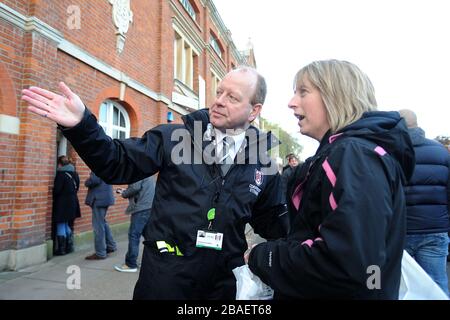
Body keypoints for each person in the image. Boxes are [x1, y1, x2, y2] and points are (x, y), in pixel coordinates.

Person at [21, 66, 288, 299]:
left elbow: (277, 225)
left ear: (254, 111)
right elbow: (116, 162)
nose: (218, 101)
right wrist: (82, 125)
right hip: (165, 280)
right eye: (219, 92)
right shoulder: (173, 137)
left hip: (222, 287)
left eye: (232, 97)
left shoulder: (262, 162)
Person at [247, 59, 415, 299]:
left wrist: (264, 256)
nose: (291, 103)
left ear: (335, 95)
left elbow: (347, 263)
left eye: (303, 92)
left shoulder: (353, 156)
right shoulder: (351, 153)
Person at [398, 109, 450, 296]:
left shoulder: (392, 153)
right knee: (437, 282)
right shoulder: (441, 152)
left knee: (401, 286)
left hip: (401, 231)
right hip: (435, 229)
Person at [114, 175, 157, 273]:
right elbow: (140, 188)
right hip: (149, 207)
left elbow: (135, 187)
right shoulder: (149, 171)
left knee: (134, 235)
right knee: (149, 235)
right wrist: (126, 190)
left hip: (141, 208)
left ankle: (131, 264)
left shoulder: (138, 170)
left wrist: (124, 193)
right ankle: (154, 259)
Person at [52, 155, 81, 255]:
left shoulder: (61, 175)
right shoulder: (75, 173)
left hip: (62, 203)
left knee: (61, 223)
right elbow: (77, 188)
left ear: (59, 164)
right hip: (73, 202)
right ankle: (69, 247)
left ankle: (62, 249)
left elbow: (57, 190)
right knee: (66, 223)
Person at [84, 172, 117, 260]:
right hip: (104, 198)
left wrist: (86, 182)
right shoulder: (107, 164)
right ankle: (111, 246)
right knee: (102, 223)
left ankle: (100, 253)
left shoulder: (98, 164)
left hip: (99, 199)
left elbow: (94, 180)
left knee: (98, 226)